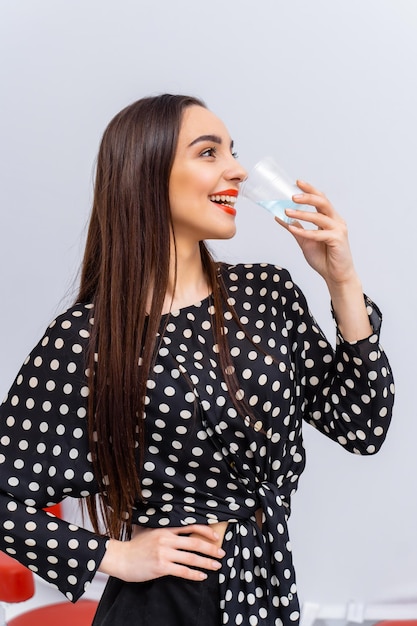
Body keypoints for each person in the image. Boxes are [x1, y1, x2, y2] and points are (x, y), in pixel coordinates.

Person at [0, 94, 394, 626]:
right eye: (209, 153)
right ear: (147, 174)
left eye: (232, 151)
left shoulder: (266, 294)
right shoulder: (88, 338)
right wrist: (112, 557)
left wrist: (342, 281)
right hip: (163, 607)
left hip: (266, 590)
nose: (236, 169)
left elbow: (363, 426)